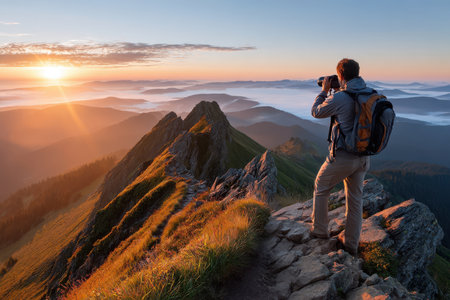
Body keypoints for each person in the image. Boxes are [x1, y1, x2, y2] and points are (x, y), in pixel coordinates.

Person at [310, 58, 371, 255]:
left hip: (344, 156)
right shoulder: (368, 93)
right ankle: (351, 244)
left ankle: (319, 231)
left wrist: (323, 92)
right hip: (364, 157)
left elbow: (316, 112)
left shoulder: (340, 98)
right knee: (355, 200)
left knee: (321, 187)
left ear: (341, 76)